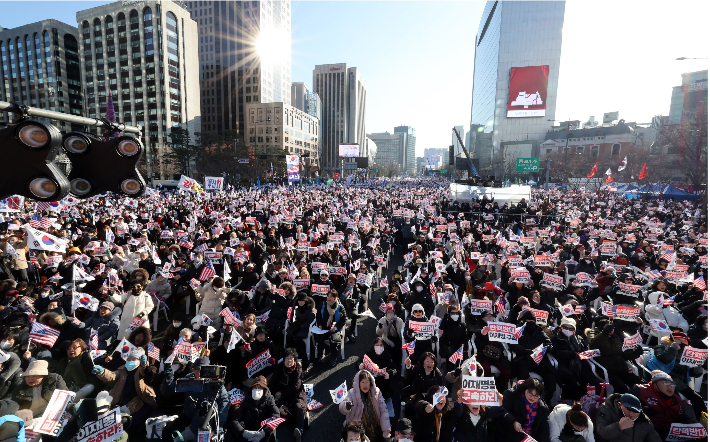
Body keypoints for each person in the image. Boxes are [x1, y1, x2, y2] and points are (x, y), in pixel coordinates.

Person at [160, 355, 230, 442]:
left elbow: (223, 405)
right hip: (187, 416)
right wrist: (168, 380)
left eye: (204, 370)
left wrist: (219, 428)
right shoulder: (189, 379)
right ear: (193, 370)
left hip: (205, 421)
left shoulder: (215, 383)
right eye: (198, 370)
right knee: (167, 431)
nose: (201, 373)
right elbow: (167, 392)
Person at [92, 348, 157, 437]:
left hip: (140, 400)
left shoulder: (141, 370)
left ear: (139, 361)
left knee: (131, 421)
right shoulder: (122, 369)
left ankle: (125, 436)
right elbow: (112, 376)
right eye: (129, 359)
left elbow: (146, 372)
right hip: (122, 399)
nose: (130, 361)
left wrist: (144, 365)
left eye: (134, 359)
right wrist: (102, 372)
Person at [630, 370, 697, 440]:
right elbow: (625, 407)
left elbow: (682, 415)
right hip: (648, 433)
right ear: (655, 384)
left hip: (670, 435)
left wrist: (688, 423)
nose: (670, 387)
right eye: (665, 383)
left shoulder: (677, 400)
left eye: (672, 384)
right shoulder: (640, 391)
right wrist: (642, 410)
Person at [340, 370, 391, 442]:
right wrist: (346, 406)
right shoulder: (351, 393)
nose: (365, 385)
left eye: (367, 382)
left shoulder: (376, 392)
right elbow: (342, 409)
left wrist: (386, 434)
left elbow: (384, 411)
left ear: (371, 382)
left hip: (376, 428)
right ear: (358, 383)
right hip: (357, 431)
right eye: (363, 382)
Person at [493, 378, 550, 442]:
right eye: (530, 393)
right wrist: (513, 422)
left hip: (528, 439)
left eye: (536, 395)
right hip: (506, 436)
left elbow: (544, 430)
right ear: (525, 389)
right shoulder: (512, 395)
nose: (532, 397)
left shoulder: (542, 408)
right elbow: (501, 410)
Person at [268, 348, 307, 442]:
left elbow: (296, 387)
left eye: (291, 359)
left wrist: (282, 393)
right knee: (278, 411)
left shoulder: (298, 368)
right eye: (287, 358)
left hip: (296, 395)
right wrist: (269, 396)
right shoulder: (279, 367)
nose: (289, 361)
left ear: (294, 361)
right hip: (283, 397)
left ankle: (299, 431)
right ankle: (302, 419)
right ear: (284, 359)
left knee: (298, 407)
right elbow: (272, 383)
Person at [226, 375, 280, 442]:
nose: (257, 390)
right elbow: (234, 418)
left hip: (263, 430)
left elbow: (276, 416)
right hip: (249, 429)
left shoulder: (269, 399)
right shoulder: (247, 399)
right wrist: (243, 432)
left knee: (272, 428)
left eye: (260, 388)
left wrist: (264, 433)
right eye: (255, 387)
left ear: (264, 389)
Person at [595, 393, 662, 442]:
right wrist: (619, 426)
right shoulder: (607, 409)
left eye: (635, 411)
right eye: (628, 409)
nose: (631, 413)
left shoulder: (644, 420)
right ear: (620, 404)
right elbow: (601, 432)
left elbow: (655, 438)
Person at [112, 269, 155, 336]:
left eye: (138, 286)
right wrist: (112, 294)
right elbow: (119, 299)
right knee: (126, 339)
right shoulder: (128, 295)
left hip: (140, 321)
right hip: (127, 321)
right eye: (134, 286)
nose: (136, 288)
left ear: (142, 287)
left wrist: (143, 313)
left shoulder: (146, 296)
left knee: (141, 338)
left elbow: (150, 306)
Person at [314, 289, 347, 367]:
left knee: (333, 340)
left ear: (335, 298)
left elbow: (344, 320)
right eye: (328, 296)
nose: (328, 298)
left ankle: (333, 357)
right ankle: (321, 354)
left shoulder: (340, 307)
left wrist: (336, 328)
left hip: (334, 329)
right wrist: (320, 325)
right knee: (319, 337)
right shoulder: (323, 305)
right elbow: (318, 316)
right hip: (324, 327)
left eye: (331, 297)